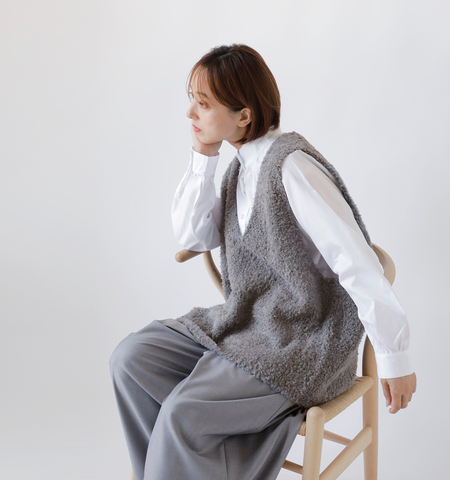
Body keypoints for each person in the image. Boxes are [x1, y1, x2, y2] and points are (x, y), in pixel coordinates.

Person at [110, 44, 417, 480]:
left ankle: (191, 451)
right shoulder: (239, 168)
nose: (190, 113)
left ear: (244, 115)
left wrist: (395, 357)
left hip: (305, 341)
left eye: (203, 103)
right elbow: (194, 236)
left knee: (182, 411)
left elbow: (356, 262)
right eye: (192, 100)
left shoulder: (292, 167)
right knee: (130, 359)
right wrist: (203, 157)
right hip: (248, 323)